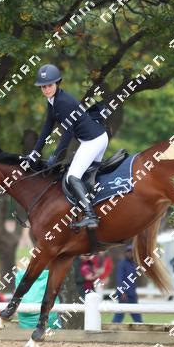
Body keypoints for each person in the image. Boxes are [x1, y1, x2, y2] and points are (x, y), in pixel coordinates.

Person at [24, 63, 108, 229]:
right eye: (43, 87)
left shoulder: (62, 102)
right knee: (87, 176)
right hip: (97, 138)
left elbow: (68, 132)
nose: (46, 89)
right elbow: (47, 127)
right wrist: (35, 152)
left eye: (49, 85)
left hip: (92, 141)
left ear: (57, 83)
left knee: (72, 176)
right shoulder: (52, 100)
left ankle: (91, 216)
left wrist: (56, 155)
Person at [112, 245, 143, 323]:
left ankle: (141, 327)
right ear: (125, 253)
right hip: (124, 294)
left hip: (132, 294)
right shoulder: (122, 263)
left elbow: (133, 280)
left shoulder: (134, 264)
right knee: (119, 315)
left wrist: (134, 293)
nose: (130, 253)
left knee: (136, 315)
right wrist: (122, 292)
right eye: (128, 252)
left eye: (132, 252)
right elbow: (119, 279)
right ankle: (113, 327)